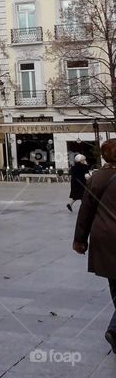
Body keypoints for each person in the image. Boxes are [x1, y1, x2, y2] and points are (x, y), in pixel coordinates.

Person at [73, 139, 116, 354]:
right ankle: (115, 329)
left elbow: (85, 212)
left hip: (104, 238)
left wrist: (80, 239)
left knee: (114, 282)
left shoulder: (95, 178)